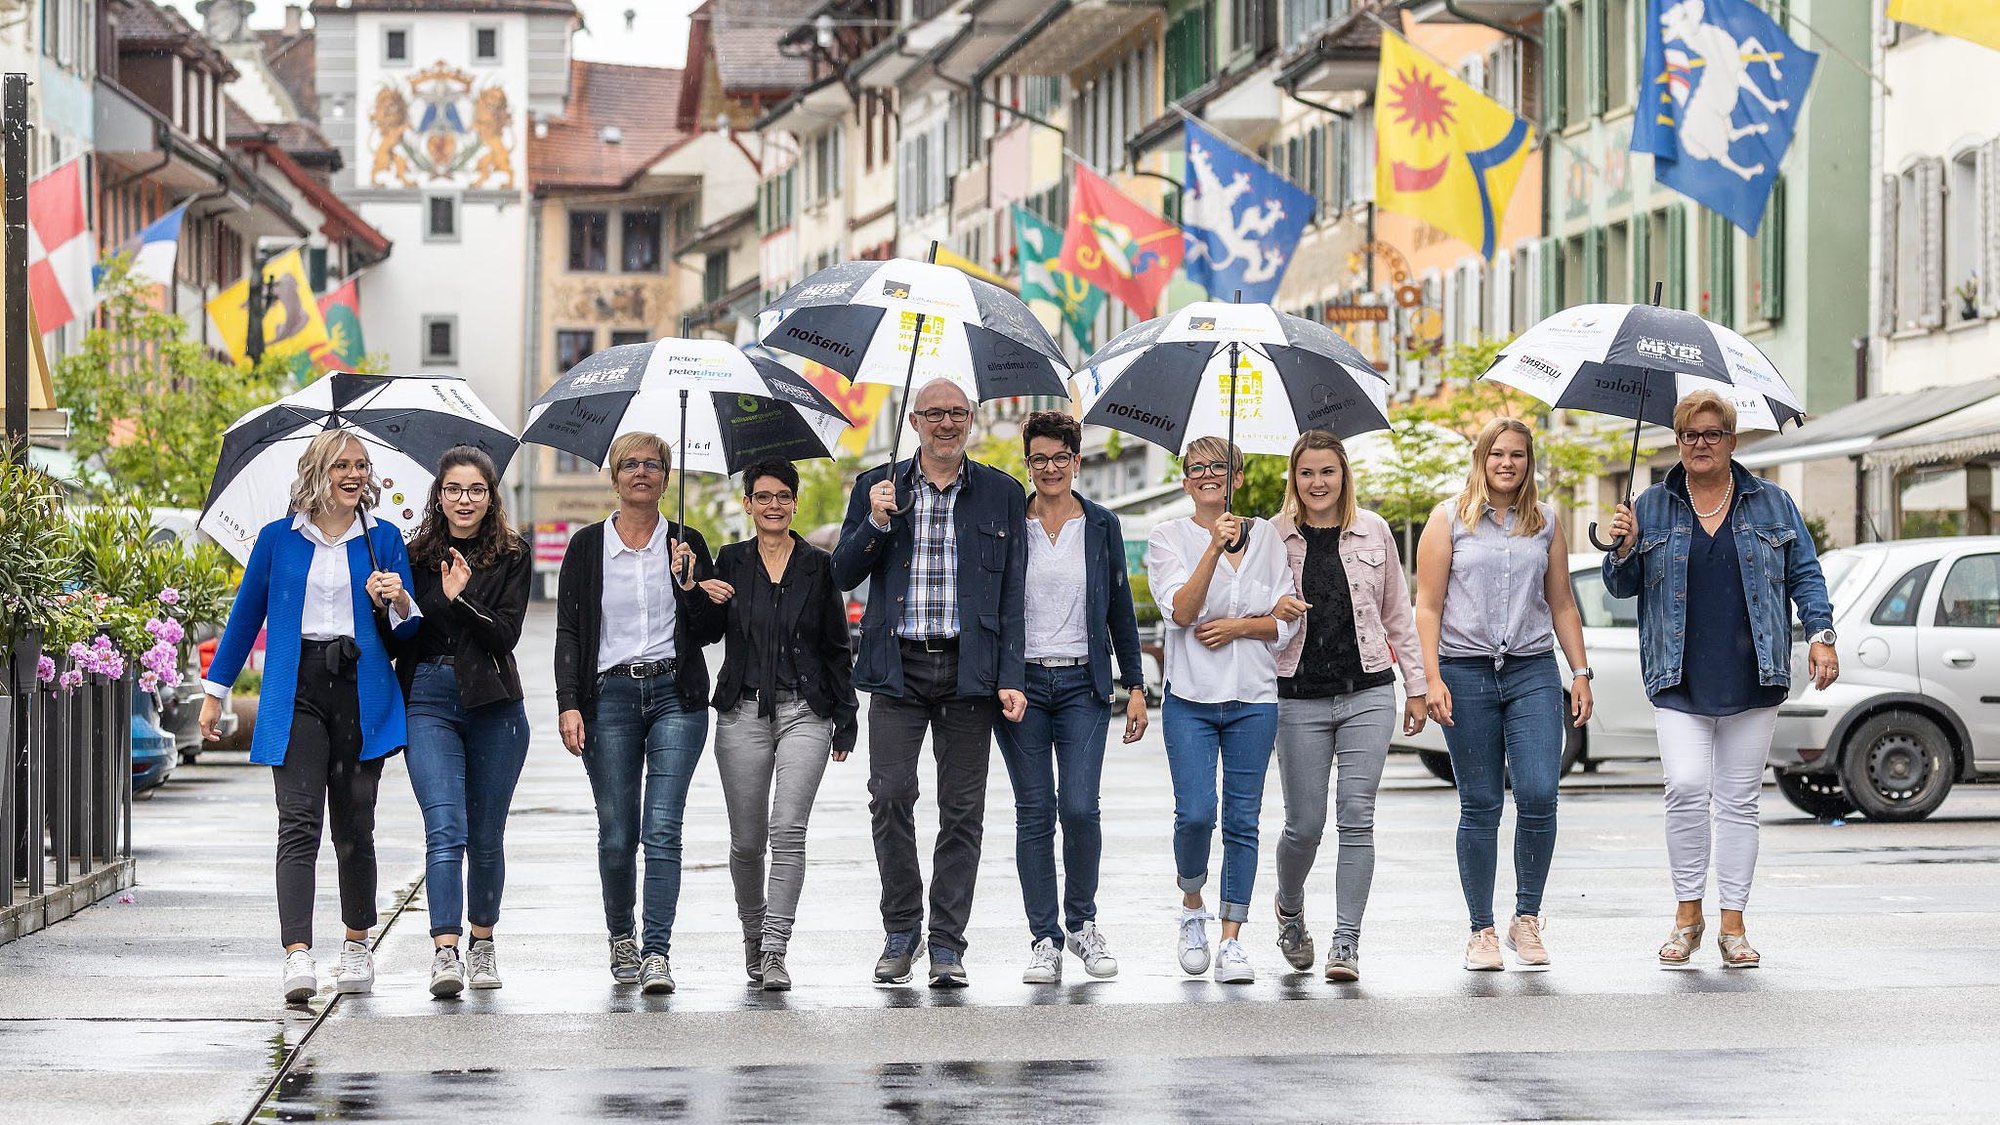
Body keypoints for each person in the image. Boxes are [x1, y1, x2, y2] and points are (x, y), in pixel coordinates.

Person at [1604, 389, 1836, 969]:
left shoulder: (1773, 503)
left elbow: (1805, 574)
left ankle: (1733, 923)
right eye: (1688, 435)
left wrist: (1822, 635)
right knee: (1684, 788)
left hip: (1754, 673)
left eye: (1711, 434)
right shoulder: (1650, 507)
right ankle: (1687, 915)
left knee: (1738, 802)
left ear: (1732, 441)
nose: (1699, 444)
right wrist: (1621, 548)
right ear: (1676, 443)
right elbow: (1620, 588)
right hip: (1676, 673)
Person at [197, 430, 421, 1003]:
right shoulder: (279, 540)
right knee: (298, 822)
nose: (354, 475)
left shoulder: (384, 539)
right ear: (317, 473)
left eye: (361, 466)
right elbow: (246, 617)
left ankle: (355, 944)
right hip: (295, 690)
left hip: (361, 687)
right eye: (343, 465)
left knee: (354, 823)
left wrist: (395, 599)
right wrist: (216, 692)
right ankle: (297, 955)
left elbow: (410, 631)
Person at [832, 378, 1027, 989]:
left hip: (970, 672)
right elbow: (841, 572)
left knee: (962, 811)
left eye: (957, 415)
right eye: (935, 414)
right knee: (889, 796)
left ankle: (946, 943)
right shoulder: (878, 486)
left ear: (971, 422)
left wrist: (1010, 676)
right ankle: (901, 930)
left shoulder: (1001, 493)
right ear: (913, 421)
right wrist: (875, 523)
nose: (946, 424)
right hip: (897, 668)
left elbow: (1014, 595)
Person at [1415, 417, 1593, 972]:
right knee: (1482, 804)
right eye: (1497, 454)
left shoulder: (1545, 524)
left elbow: (1562, 602)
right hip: (1464, 672)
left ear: (1528, 463)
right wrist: (1430, 679)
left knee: (1540, 792)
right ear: (1481, 459)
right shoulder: (1448, 521)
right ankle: (1481, 930)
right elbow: (1427, 607)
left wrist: (1581, 670)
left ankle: (1527, 918)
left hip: (1531, 670)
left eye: (1517, 455)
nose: (1507, 464)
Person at [553, 432, 723, 995]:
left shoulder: (687, 541)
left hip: (677, 695)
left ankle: (656, 952)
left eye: (653, 464)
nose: (642, 472)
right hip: (610, 698)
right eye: (630, 464)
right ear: (615, 477)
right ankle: (621, 936)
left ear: (667, 478)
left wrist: (689, 584)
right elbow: (570, 633)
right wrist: (569, 703)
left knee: (663, 828)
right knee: (618, 833)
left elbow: (707, 631)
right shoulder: (585, 548)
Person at [1269, 430, 1428, 983]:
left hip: (1368, 693)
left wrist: (1417, 685)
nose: (1317, 482)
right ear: (1295, 478)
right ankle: (1289, 908)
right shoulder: (1271, 537)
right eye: (1307, 473)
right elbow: (1254, 616)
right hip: (1297, 697)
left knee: (1357, 818)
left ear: (1344, 476)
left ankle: (1346, 942)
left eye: (1327, 472)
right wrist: (1274, 606)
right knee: (1304, 825)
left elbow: (1398, 616)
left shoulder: (1375, 531)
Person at [994, 411, 1148, 985]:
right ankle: (1045, 939)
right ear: (1027, 463)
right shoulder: (1012, 524)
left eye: (1061, 458)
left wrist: (1135, 685)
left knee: (1080, 808)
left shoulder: (1102, 525)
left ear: (1077, 461)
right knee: (1035, 812)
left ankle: (1082, 925)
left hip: (1084, 685)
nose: (1051, 468)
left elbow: (1119, 612)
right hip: (1023, 688)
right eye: (1039, 459)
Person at [1144, 436, 1302, 985]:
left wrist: (1242, 626)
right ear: (1186, 480)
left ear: (1238, 477)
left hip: (1254, 699)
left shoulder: (1270, 540)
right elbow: (1183, 613)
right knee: (1194, 814)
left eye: (1220, 467)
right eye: (1197, 468)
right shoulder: (1167, 538)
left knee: (1243, 820)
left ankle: (1232, 936)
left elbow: (1286, 620)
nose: (1208, 474)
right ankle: (1193, 908)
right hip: (1189, 699)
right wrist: (1213, 548)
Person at [699, 457, 859, 992]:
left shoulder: (818, 565)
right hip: (742, 711)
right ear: (747, 504)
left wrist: (846, 716)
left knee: (788, 830)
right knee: (747, 842)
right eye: (762, 496)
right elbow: (701, 633)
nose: (773, 505)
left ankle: (774, 946)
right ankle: (752, 931)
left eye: (782, 496)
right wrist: (694, 589)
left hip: (804, 712)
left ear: (794, 503)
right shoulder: (730, 561)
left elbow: (836, 645)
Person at [397, 446, 533, 997]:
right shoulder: (413, 555)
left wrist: (462, 600)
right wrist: (393, 603)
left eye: (476, 490)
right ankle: (445, 950)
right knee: (444, 827)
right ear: (439, 495)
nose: (464, 500)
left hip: (495, 703)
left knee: (486, 835)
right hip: (429, 696)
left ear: (490, 497)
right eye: (454, 489)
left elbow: (505, 634)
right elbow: (398, 638)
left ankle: (483, 944)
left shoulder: (512, 555)